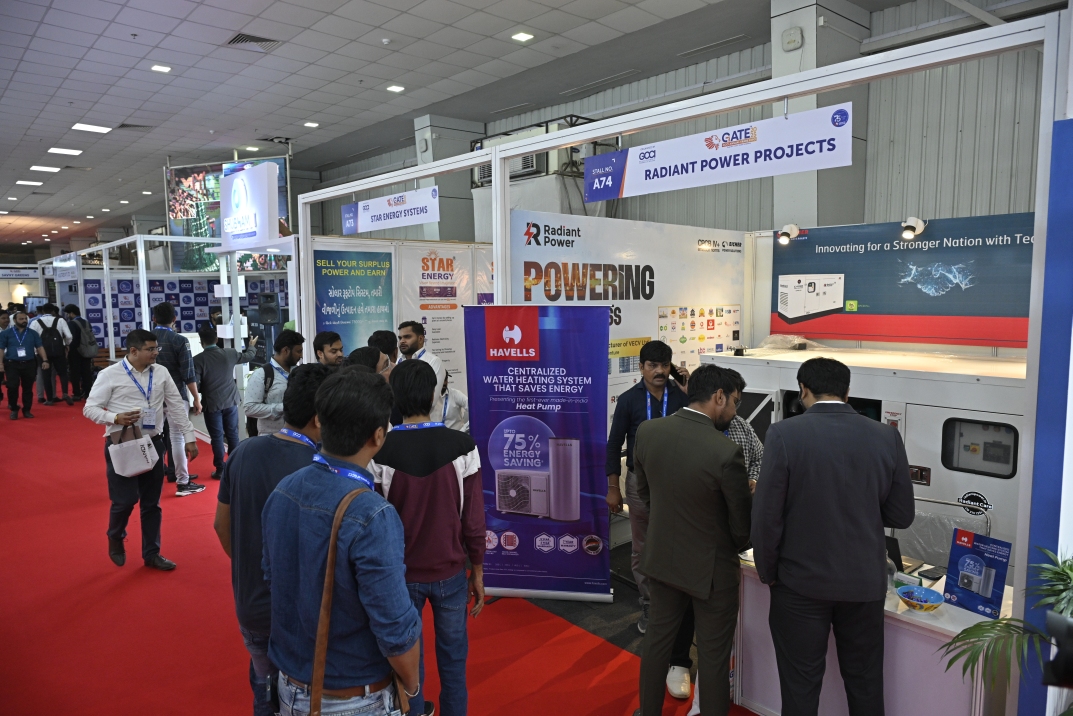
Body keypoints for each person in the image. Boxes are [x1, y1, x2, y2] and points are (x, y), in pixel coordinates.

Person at [752, 357, 915, 716]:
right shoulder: (886, 436)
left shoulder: (784, 434)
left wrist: (768, 572)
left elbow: (766, 517)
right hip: (864, 584)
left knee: (800, 688)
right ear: (847, 392)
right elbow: (902, 515)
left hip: (799, 584)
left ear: (803, 390)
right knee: (865, 685)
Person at [262, 369, 421, 716]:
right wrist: (412, 687)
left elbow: (273, 580)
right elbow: (395, 627)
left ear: (320, 421)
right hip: (353, 697)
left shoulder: (284, 489)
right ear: (378, 436)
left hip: (290, 684)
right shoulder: (373, 514)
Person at [633, 364, 751, 716]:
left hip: (662, 558)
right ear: (719, 397)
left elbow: (646, 495)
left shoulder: (648, 431)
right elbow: (741, 528)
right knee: (713, 657)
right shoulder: (725, 452)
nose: (735, 411)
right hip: (711, 572)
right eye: (735, 402)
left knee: (657, 642)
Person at [370, 360, 486, 716]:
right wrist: (478, 569)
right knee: (454, 661)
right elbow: (473, 521)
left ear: (395, 397)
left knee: (408, 666)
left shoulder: (379, 450)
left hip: (399, 577)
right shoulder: (463, 445)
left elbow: (373, 521)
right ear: (435, 395)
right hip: (451, 572)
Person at [214, 363, 331, 716]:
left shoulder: (243, 452)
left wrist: (251, 564)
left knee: (264, 685)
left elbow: (221, 526)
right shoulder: (322, 466)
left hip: (251, 604)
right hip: (302, 613)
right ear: (320, 418)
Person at [605, 340, 694, 697]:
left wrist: (689, 391)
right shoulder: (629, 400)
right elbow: (614, 444)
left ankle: (675, 609)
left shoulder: (682, 396)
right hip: (640, 482)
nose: (659, 371)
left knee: (676, 545)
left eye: (664, 365)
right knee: (642, 547)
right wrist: (613, 487)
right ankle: (650, 607)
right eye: (652, 365)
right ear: (641, 367)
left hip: (677, 481)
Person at [83, 329, 199, 571]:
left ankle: (152, 553)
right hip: (122, 443)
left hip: (154, 443)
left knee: (151, 504)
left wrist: (189, 436)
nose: (156, 353)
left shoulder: (161, 372)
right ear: (134, 351)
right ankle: (115, 534)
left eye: (157, 348)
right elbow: (90, 408)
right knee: (125, 501)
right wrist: (115, 417)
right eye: (151, 349)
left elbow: (176, 406)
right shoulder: (109, 375)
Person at [151, 302, 204, 495]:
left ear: (154, 319)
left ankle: (149, 480)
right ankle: (182, 482)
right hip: (176, 396)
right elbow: (188, 374)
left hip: (150, 398)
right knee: (177, 438)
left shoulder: (145, 340)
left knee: (151, 437)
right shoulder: (180, 340)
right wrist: (196, 398)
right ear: (174, 319)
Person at [195, 325, 257, 479]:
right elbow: (249, 356)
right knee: (232, 434)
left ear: (201, 342)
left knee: (216, 437)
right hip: (231, 401)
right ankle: (235, 467)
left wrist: (202, 392)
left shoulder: (197, 360)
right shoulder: (230, 353)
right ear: (216, 339)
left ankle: (220, 469)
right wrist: (251, 345)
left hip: (211, 404)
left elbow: (196, 384)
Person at [243, 329, 304, 437]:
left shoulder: (300, 372)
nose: (301, 356)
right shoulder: (262, 374)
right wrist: (282, 408)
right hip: (270, 437)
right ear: (286, 350)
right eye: (298, 351)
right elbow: (249, 408)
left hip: (297, 436)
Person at [397, 321, 445, 425]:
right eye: (400, 338)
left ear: (420, 339)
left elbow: (430, 401)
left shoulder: (433, 362)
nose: (402, 341)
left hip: (429, 425)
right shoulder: (399, 361)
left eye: (407, 337)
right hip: (403, 424)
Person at [1, 311, 47, 419]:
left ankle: (27, 410)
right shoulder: (6, 333)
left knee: (28, 388)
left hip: (29, 363)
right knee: (12, 387)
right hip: (12, 364)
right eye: (21, 319)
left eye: (25, 319)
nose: (24, 321)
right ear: (15, 320)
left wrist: (45, 360)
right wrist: (0, 363)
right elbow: (1, 349)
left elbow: (40, 347)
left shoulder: (33, 333)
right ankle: (14, 408)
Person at [31, 303, 73, 405]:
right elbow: (69, 336)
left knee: (46, 375)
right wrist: (66, 344)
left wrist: (36, 351)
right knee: (63, 373)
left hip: (43, 352)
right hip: (59, 351)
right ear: (53, 311)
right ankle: (65, 393)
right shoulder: (60, 320)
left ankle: (49, 399)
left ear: (42, 311)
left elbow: (32, 338)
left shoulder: (35, 322)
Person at [64, 304, 96, 401]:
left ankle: (77, 394)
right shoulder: (86, 322)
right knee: (87, 372)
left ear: (71, 313)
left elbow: (71, 339)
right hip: (87, 350)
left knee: (75, 373)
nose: (67, 316)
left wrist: (69, 351)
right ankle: (88, 392)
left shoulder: (72, 323)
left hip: (76, 352)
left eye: (67, 314)